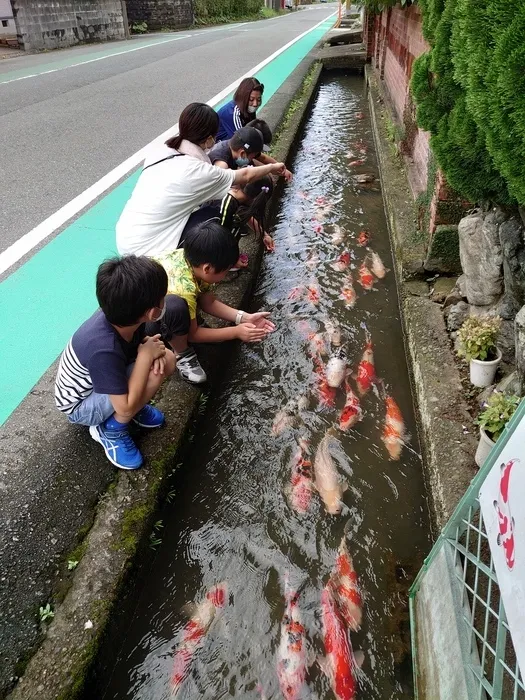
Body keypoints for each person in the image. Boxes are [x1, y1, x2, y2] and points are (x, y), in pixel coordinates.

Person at [54, 256, 180, 470]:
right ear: (152, 313)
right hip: (81, 406)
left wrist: (148, 349)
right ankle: (111, 429)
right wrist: (145, 356)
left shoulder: (124, 317)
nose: (165, 299)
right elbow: (125, 404)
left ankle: (132, 412)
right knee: (154, 372)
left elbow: (136, 349)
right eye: (162, 297)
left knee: (167, 360)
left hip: (103, 383)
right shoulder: (103, 348)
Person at [116, 102, 286, 256]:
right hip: (145, 251)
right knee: (219, 221)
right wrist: (273, 168)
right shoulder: (200, 170)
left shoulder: (163, 150)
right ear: (209, 138)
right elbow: (245, 176)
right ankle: (211, 265)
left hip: (127, 236)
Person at [154, 221, 275, 384]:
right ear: (207, 269)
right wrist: (236, 332)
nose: (226, 275)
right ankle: (183, 354)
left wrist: (243, 317)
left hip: (156, 306)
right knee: (175, 308)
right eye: (225, 270)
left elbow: (207, 301)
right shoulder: (183, 288)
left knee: (180, 308)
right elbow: (193, 334)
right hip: (145, 325)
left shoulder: (192, 259)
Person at [179, 177, 275, 264]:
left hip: (199, 237)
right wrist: (232, 261)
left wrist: (264, 234)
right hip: (196, 247)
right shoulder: (227, 205)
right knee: (235, 228)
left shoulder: (233, 194)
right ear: (255, 199)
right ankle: (222, 264)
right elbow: (222, 237)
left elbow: (245, 215)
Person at [216, 77, 264, 142]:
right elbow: (241, 140)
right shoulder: (233, 113)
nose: (255, 104)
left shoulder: (247, 107)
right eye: (251, 99)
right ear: (243, 98)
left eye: (258, 99)